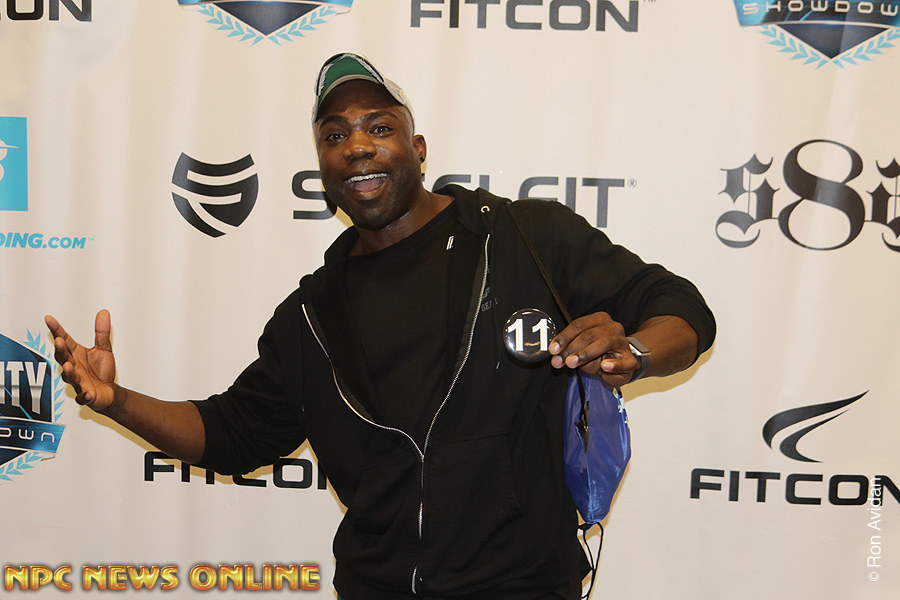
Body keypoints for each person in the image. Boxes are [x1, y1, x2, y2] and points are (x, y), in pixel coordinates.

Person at [46, 53, 715, 600]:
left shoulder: (524, 238)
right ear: (322, 167)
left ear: (417, 148)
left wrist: (633, 350)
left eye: (378, 127)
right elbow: (232, 433)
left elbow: (683, 310)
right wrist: (116, 400)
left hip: (525, 585)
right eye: (335, 136)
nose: (357, 146)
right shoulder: (311, 316)